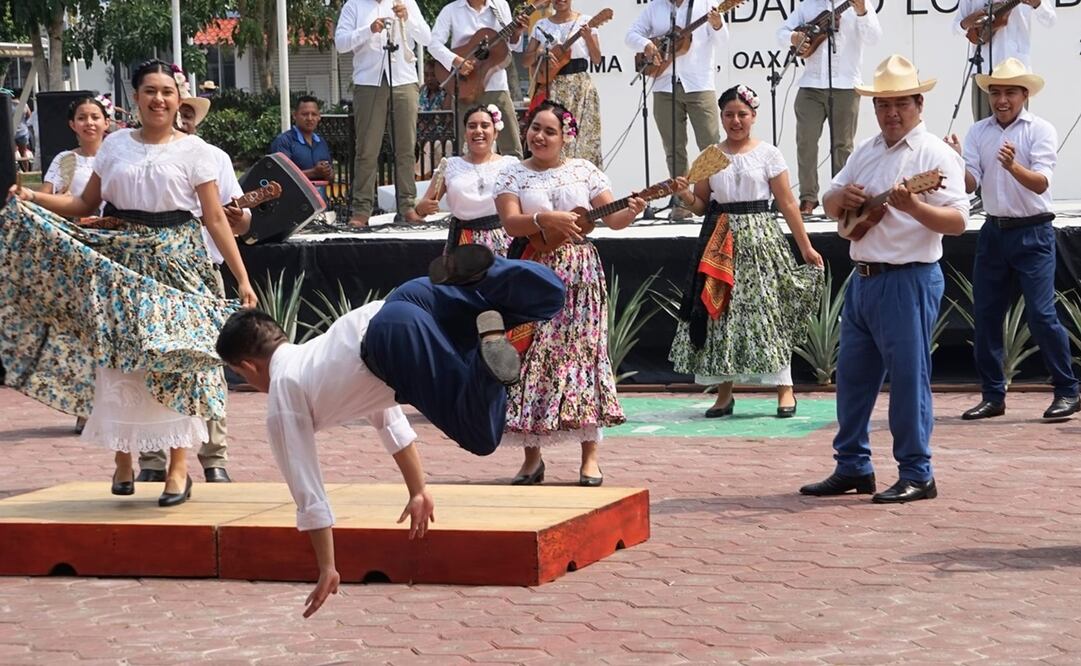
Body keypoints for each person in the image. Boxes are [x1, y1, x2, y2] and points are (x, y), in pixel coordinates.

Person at [215, 244, 565, 617]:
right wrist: (418, 490)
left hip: (392, 337)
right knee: (546, 300)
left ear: (248, 366)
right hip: (406, 297)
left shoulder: (284, 393)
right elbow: (388, 419)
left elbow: (307, 489)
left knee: (480, 433)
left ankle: (486, 357)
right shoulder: (319, 351)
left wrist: (326, 567)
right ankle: (487, 271)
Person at [4, 59, 258, 507]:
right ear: (136, 98)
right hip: (122, 263)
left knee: (181, 361)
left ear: (179, 99)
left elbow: (216, 218)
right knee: (121, 359)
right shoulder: (116, 145)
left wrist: (241, 277)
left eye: (167, 91)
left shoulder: (197, 152)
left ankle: (179, 468)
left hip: (180, 263)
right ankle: (123, 458)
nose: (158, 99)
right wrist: (32, 196)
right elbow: (84, 202)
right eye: (149, 91)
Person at [799, 55, 969, 504]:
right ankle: (852, 465)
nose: (891, 113)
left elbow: (957, 222)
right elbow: (835, 202)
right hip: (864, 277)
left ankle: (918, 472)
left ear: (919, 104)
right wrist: (841, 198)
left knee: (908, 381)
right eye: (883, 104)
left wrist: (915, 207)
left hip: (908, 277)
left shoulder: (935, 154)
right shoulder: (867, 149)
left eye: (900, 104)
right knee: (853, 379)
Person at [494, 100, 663, 487]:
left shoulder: (584, 170)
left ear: (565, 137)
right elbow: (511, 222)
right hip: (533, 272)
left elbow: (614, 220)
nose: (539, 136)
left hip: (580, 275)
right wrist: (544, 218)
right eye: (535, 128)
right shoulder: (512, 174)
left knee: (582, 355)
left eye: (549, 131)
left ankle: (589, 457)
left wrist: (634, 207)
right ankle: (531, 457)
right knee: (530, 355)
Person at [669, 85, 824, 418]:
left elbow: (787, 203)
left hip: (761, 239)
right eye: (729, 114)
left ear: (753, 116)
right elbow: (700, 206)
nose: (735, 120)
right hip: (721, 239)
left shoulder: (768, 154)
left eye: (742, 114)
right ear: (721, 117)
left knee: (769, 311)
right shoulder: (710, 155)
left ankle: (785, 389)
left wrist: (806, 247)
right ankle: (725, 393)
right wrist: (682, 194)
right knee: (722, 312)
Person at [945, 59, 1079, 421]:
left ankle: (1068, 390)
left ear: (1024, 95)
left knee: (1041, 314)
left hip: (1034, 231)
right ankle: (993, 396)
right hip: (994, 231)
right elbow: (970, 183)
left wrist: (1013, 167)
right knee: (986, 316)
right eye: (996, 93)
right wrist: (956, 162)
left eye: (1009, 93)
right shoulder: (978, 132)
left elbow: (1041, 183)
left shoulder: (1040, 130)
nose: (1001, 99)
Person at [132, 92, 253, 485]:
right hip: (148, 271)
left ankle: (214, 457)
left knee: (207, 361)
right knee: (149, 360)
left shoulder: (211, 156)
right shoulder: (132, 152)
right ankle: (151, 458)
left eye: (187, 111)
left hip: (203, 271)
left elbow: (240, 219)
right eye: (173, 108)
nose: (180, 116)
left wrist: (237, 223)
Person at [40, 95, 110, 435]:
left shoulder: (118, 157)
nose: (89, 123)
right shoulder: (64, 161)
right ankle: (85, 406)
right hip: (77, 253)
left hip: (116, 251)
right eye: (82, 117)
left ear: (106, 122)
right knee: (81, 330)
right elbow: (48, 200)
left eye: (95, 116)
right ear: (72, 125)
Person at [776, 0, 881, 215]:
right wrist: (794, 37)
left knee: (842, 145)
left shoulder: (859, 5)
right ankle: (808, 198)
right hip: (810, 84)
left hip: (845, 84)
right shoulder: (808, 6)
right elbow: (781, 32)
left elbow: (874, 38)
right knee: (805, 142)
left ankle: (840, 197)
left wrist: (861, 11)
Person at [626, 0, 727, 220]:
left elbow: (722, 40)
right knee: (674, 148)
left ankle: (720, 199)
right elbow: (630, 34)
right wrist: (647, 45)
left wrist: (718, 23)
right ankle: (683, 203)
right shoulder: (655, 7)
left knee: (710, 145)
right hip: (664, 85)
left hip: (699, 84)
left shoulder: (706, 4)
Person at [334, 0, 432, 228]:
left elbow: (426, 38)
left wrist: (408, 18)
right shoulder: (354, 6)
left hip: (404, 79)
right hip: (368, 81)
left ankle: (407, 206)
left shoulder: (406, 2)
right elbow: (340, 43)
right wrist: (369, 30)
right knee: (367, 149)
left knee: (406, 148)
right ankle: (361, 211)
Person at [428, 0, 526, 159]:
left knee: (511, 147)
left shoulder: (500, 6)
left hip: (496, 84)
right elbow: (433, 44)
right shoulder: (451, 10)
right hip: (465, 85)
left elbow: (510, 47)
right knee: (466, 147)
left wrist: (517, 33)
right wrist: (457, 61)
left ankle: (514, 181)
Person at [415, 105, 519, 254]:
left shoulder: (510, 164)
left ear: (495, 132)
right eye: (472, 126)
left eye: (485, 126)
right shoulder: (450, 166)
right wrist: (421, 208)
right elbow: (423, 209)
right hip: (465, 241)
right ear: (465, 134)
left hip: (504, 241)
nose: (478, 130)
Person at [523, 0, 604, 167]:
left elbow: (596, 59)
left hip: (580, 87)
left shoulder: (585, 21)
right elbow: (525, 60)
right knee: (554, 134)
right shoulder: (541, 24)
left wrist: (588, 38)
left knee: (584, 138)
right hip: (552, 85)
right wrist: (539, 53)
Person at [953, 0, 1055, 122]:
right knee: (983, 130)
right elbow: (956, 27)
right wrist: (968, 22)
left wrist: (1037, 4)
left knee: (1018, 127)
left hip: (1017, 71)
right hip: (984, 71)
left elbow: (1050, 19)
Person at [269, 95, 334, 201]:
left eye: (314, 114)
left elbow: (331, 177)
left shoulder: (321, 142)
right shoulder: (283, 141)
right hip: (292, 203)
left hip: (320, 202)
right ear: (295, 115)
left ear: (319, 117)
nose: (309, 118)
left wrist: (328, 172)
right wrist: (314, 172)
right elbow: (280, 177)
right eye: (304, 114)